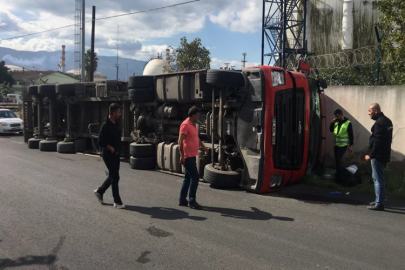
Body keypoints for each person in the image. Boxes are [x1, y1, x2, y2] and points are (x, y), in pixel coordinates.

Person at [94, 103, 125, 209]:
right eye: (118, 112)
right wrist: (110, 148)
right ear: (113, 113)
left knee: (113, 176)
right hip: (108, 155)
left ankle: (99, 191)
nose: (120, 114)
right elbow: (100, 141)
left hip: (116, 154)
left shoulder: (116, 123)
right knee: (115, 177)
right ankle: (117, 202)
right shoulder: (105, 126)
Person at [178, 106, 208, 210]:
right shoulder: (185, 125)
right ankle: (192, 201)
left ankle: (182, 200)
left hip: (192, 155)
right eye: (197, 115)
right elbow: (180, 141)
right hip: (187, 156)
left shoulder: (193, 125)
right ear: (193, 115)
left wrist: (203, 146)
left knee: (187, 178)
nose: (198, 117)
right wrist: (182, 155)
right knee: (195, 177)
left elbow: (196, 137)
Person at [365, 103, 393, 211]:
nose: (368, 113)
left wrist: (371, 154)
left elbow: (378, 141)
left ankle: (379, 203)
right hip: (384, 154)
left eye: (369, 111)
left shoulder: (379, 123)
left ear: (375, 111)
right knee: (378, 178)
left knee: (378, 179)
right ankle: (378, 200)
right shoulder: (387, 121)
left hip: (378, 155)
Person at [330, 109, 354, 174]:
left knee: (338, 159)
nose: (336, 118)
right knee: (337, 160)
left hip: (343, 145)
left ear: (341, 115)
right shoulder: (336, 122)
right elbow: (331, 130)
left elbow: (351, 135)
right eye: (335, 116)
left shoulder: (348, 123)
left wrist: (350, 145)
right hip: (336, 144)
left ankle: (340, 174)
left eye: (337, 116)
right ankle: (339, 173)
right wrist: (332, 123)